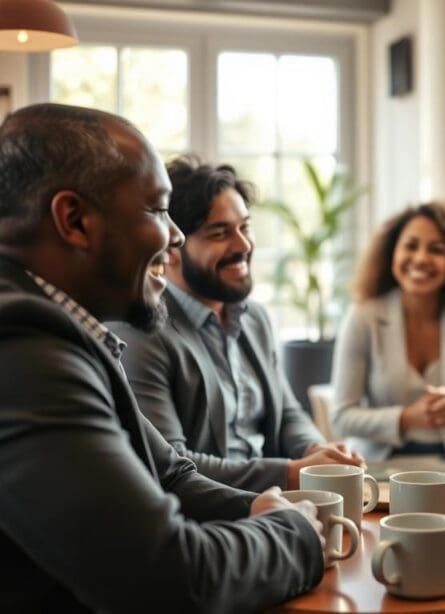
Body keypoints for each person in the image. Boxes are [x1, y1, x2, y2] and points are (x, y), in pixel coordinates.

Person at [0, 104, 325, 612]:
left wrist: (263, 505)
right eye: (157, 210)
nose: (173, 236)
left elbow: (170, 472)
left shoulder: (62, 328)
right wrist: (296, 533)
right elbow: (169, 578)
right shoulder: (23, 346)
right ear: (75, 220)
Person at [111, 156, 363, 492]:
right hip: (211, 517)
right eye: (220, 233)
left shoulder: (253, 318)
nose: (243, 245)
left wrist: (316, 452)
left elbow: (288, 413)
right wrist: (291, 473)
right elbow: (171, 463)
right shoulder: (141, 332)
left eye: (245, 227)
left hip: (281, 503)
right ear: (170, 247)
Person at [331, 200, 445, 476]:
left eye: (436, 249)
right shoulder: (363, 317)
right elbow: (341, 418)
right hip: (376, 468)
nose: (421, 258)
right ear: (393, 252)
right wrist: (404, 419)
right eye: (411, 246)